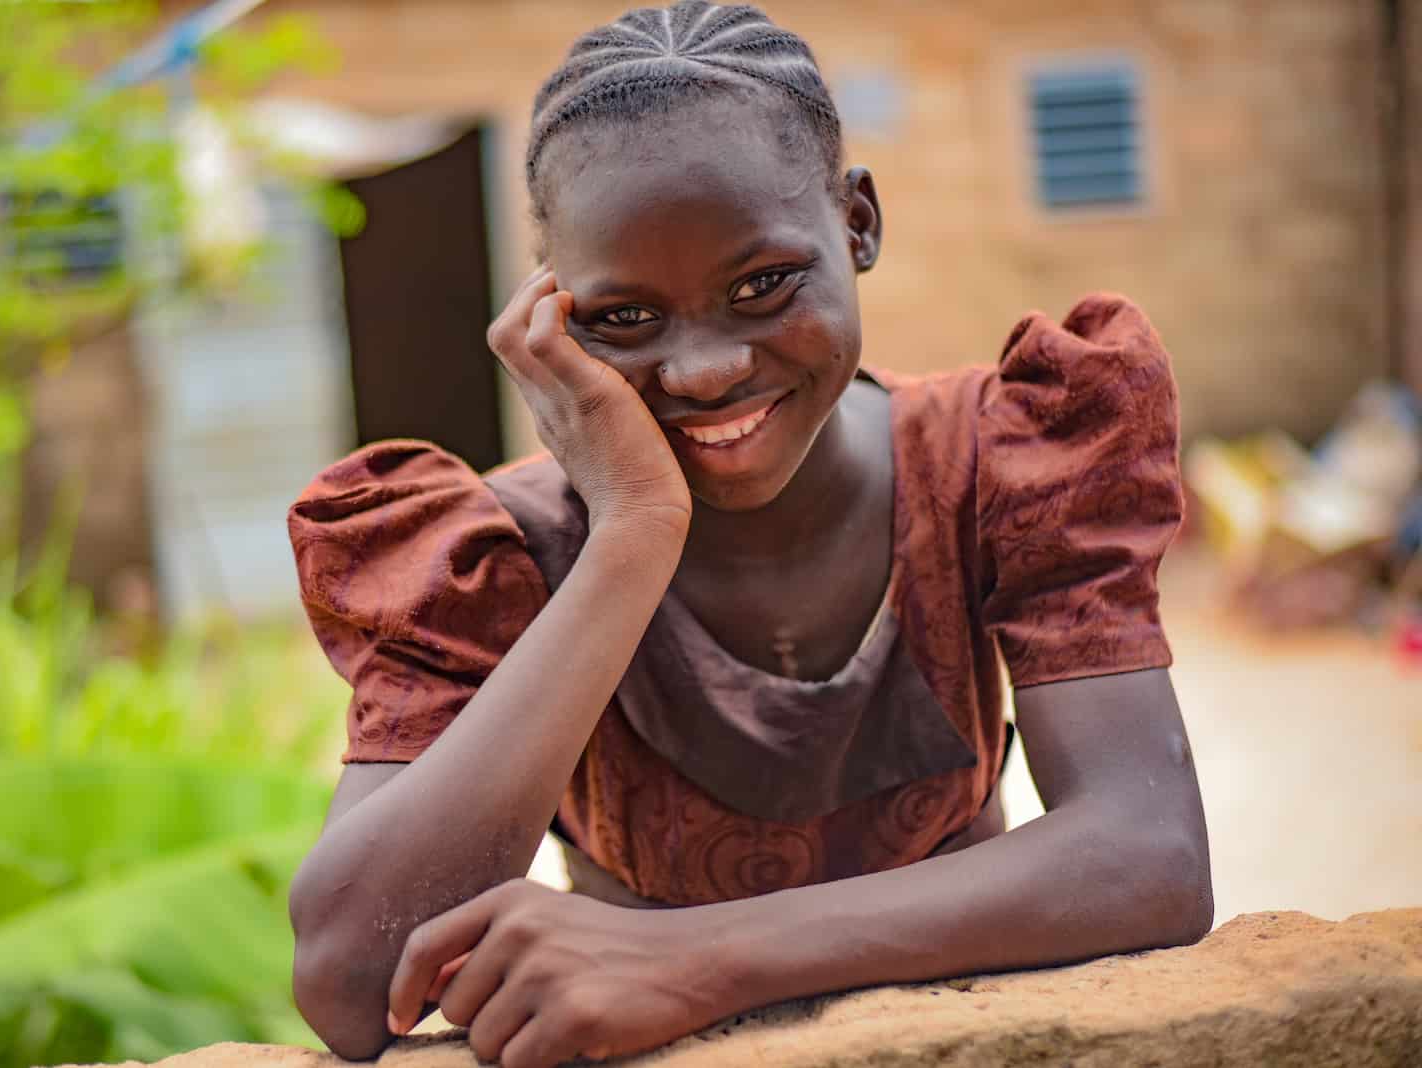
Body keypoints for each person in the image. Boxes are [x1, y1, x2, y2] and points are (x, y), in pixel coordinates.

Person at [285, 4, 1212, 1066]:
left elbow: (1149, 855)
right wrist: (632, 531)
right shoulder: (489, 556)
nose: (705, 369)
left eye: (763, 285)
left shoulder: (999, 463)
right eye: (624, 318)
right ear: (551, 312)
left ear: (857, 223)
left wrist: (694, 959)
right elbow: (352, 978)